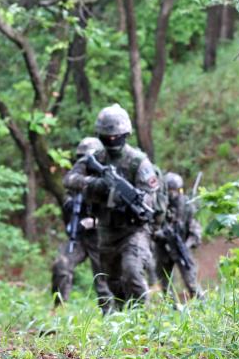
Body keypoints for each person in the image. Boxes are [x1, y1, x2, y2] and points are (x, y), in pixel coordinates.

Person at [63, 104, 159, 309]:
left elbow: (150, 198)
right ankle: (123, 320)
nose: (112, 140)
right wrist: (96, 185)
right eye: (108, 137)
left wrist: (128, 201)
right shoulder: (96, 158)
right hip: (106, 231)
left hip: (134, 230)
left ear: (126, 134)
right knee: (112, 281)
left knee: (132, 270)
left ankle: (144, 317)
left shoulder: (138, 162)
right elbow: (70, 179)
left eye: (117, 136)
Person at [52, 137, 113, 314]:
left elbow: (115, 213)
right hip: (78, 237)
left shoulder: (106, 180)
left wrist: (95, 222)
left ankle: (110, 315)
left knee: (103, 280)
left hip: (100, 237)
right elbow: (67, 196)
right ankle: (59, 309)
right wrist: (70, 206)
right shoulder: (76, 180)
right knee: (61, 265)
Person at [152, 172, 204, 300]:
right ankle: (172, 308)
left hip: (180, 248)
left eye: (176, 190)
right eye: (170, 190)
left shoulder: (187, 208)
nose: (173, 194)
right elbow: (151, 224)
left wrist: (187, 245)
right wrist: (158, 234)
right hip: (163, 249)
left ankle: (202, 306)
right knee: (165, 284)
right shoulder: (158, 205)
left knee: (191, 282)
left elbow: (195, 230)